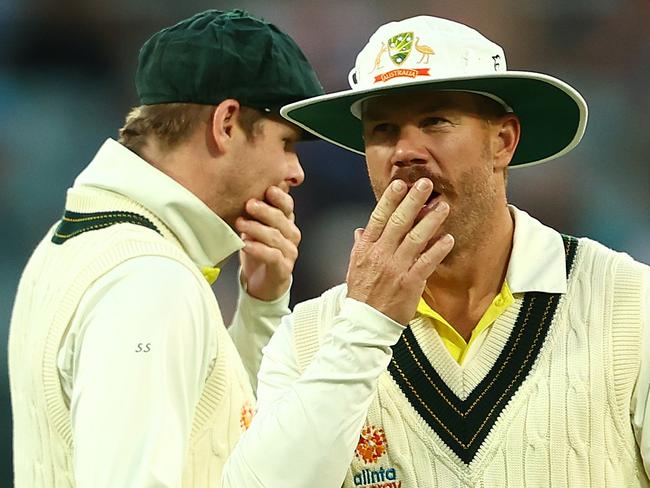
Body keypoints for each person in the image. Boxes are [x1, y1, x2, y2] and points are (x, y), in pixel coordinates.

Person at [225, 15, 650, 487]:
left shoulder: (631, 305)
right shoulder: (311, 336)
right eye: (382, 130)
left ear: (503, 141)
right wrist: (366, 324)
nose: (405, 150)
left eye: (434, 121)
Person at [7, 9, 325, 487]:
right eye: (287, 142)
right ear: (226, 123)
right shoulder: (150, 281)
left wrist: (260, 310)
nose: (296, 171)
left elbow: (217, 438)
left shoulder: (72, 241)